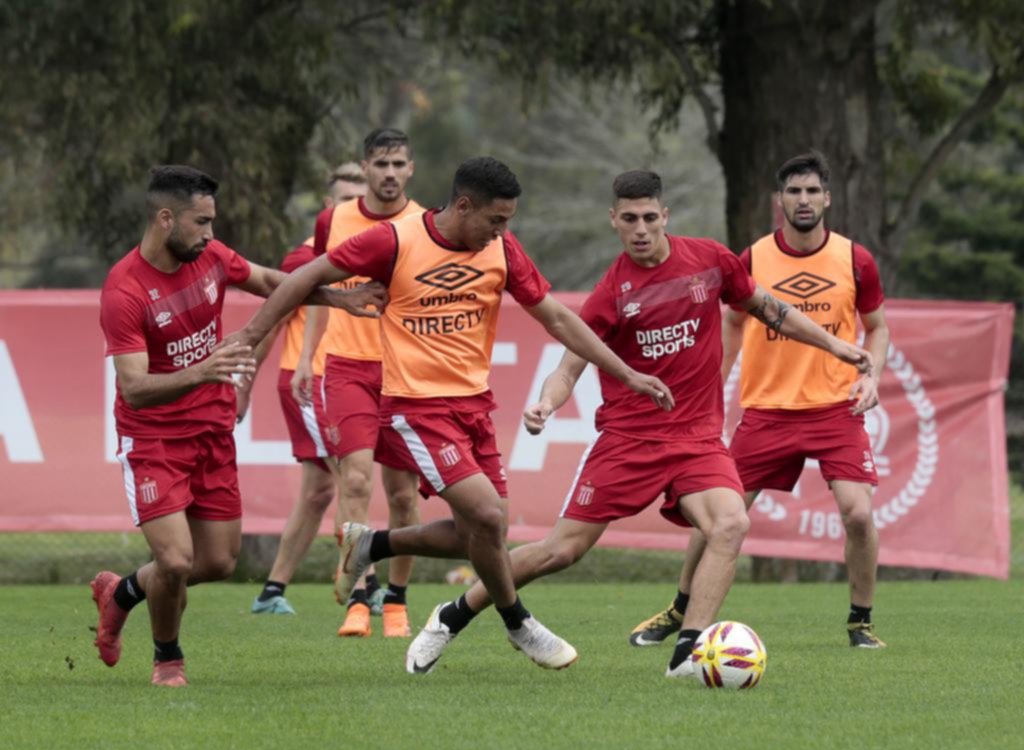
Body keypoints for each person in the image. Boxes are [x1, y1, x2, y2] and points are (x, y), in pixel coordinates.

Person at [401, 170, 873, 677]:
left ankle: (688, 654)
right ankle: (452, 615)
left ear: (664, 215)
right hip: (628, 442)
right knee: (561, 552)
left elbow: (768, 308)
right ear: (614, 221)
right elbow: (568, 367)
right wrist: (546, 403)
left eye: (650, 217)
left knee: (730, 523)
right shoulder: (611, 292)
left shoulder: (711, 260)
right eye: (630, 219)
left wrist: (835, 344)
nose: (641, 228)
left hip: (697, 439)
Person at [231, 156, 675, 673]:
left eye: (507, 221)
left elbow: (555, 316)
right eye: (495, 220)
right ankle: (517, 621)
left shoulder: (502, 250)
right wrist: (252, 336)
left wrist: (626, 373)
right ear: (464, 206)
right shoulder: (394, 241)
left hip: (475, 409)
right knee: (486, 516)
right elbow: (302, 276)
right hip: (414, 410)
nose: (502, 232)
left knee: (485, 534)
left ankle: (371, 544)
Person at [92, 165, 384, 687]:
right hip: (154, 440)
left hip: (212, 432)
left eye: (212, 222)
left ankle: (122, 594)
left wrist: (338, 298)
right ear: (165, 218)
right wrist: (205, 369)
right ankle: (168, 660)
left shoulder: (211, 257)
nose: (209, 234)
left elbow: (274, 282)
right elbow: (134, 386)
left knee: (219, 562)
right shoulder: (124, 290)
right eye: (200, 222)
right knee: (177, 561)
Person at [630, 150, 890, 651]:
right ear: (780, 201)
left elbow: (877, 327)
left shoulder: (856, 259)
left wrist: (871, 375)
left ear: (828, 198)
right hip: (767, 412)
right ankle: (678, 610)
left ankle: (861, 622)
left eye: (813, 190)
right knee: (718, 516)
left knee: (857, 514)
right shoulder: (752, 257)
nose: (804, 199)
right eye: (794, 191)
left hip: (836, 408)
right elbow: (731, 322)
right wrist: (713, 383)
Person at [295, 129, 425, 639]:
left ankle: (396, 600)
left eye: (398, 163)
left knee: (403, 495)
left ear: (410, 169)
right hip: (346, 365)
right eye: (380, 163)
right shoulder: (334, 220)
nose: (389, 173)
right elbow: (317, 288)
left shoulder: (425, 223)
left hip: (404, 371)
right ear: (364, 168)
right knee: (353, 481)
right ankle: (359, 596)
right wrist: (306, 356)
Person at [245, 162, 368, 616]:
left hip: (346, 379)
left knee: (319, 490)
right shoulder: (306, 260)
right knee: (349, 478)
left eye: (362, 199)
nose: (356, 208)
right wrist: (245, 384)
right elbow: (272, 321)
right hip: (311, 382)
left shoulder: (376, 251)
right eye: (346, 200)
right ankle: (367, 586)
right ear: (327, 206)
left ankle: (272, 590)